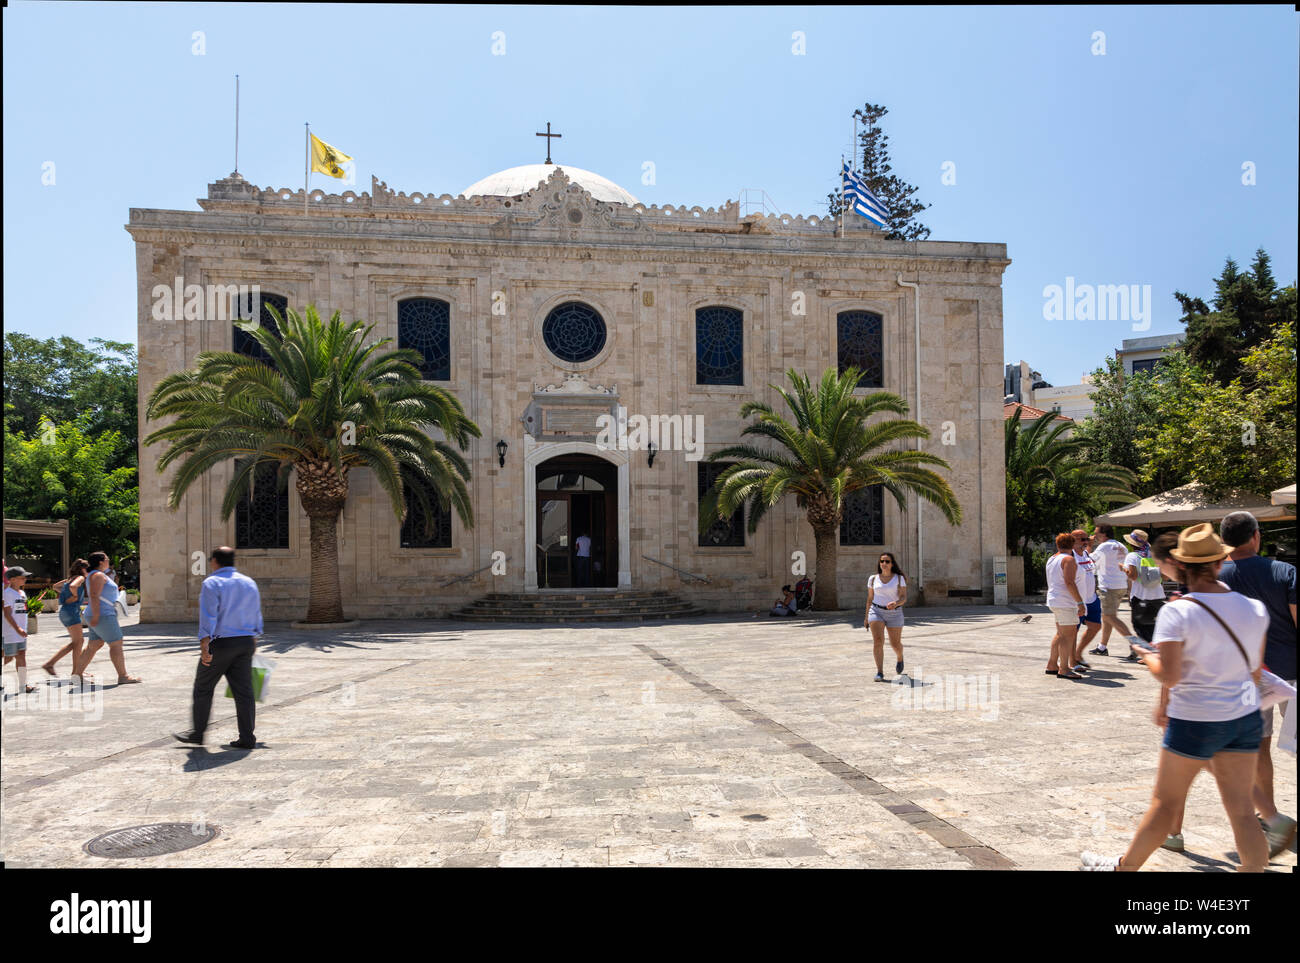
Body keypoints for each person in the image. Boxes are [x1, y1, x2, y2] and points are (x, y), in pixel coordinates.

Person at [1081, 523, 1269, 872]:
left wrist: (1145, 653)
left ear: (1181, 565)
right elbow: (1255, 672)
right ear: (1220, 562)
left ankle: (1123, 869)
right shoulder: (1254, 609)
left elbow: (1169, 674)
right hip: (1243, 717)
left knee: (1165, 804)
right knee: (1242, 810)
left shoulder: (1177, 611)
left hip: (1195, 718)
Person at [1219, 510, 1297, 858]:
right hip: (1291, 670)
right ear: (1256, 536)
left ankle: (1271, 816)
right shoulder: (1285, 571)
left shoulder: (1217, 577)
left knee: (1259, 748)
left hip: (1247, 676)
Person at [174, 546, 263, 749]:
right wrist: (255, 637)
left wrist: (204, 643)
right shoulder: (249, 582)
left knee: (203, 687)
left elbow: (209, 615)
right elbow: (256, 613)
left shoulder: (212, 582)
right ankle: (247, 737)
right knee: (244, 691)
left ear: (214, 561)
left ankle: (198, 733)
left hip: (221, 643)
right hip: (246, 641)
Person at [72, 551, 141, 685]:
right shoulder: (97, 575)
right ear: (100, 562)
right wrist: (97, 616)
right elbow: (93, 595)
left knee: (94, 644)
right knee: (116, 643)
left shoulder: (96, 574)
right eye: (107, 559)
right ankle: (123, 676)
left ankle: (77, 675)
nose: (109, 561)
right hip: (103, 614)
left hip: (99, 613)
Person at [1089, 524, 1140, 658]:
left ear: (1104, 534)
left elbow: (1089, 561)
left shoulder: (1104, 546)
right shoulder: (1121, 545)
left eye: (1096, 533)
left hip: (1109, 586)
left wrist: (1088, 545)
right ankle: (1102, 647)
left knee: (1108, 617)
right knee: (1108, 618)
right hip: (1120, 585)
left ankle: (1135, 644)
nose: (1094, 536)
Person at [41, 559, 92, 683]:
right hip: (71, 611)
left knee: (77, 642)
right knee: (78, 642)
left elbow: (55, 586)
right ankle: (53, 665)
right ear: (83, 569)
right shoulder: (80, 578)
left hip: (64, 611)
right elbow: (73, 586)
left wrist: (66, 593)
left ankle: (76, 671)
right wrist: (74, 596)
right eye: (88, 569)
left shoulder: (70, 578)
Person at [1044, 532, 1087, 679]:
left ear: (1058, 545)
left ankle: (1052, 664)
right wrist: (1080, 602)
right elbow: (1069, 582)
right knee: (1068, 636)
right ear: (1072, 545)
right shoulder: (1068, 559)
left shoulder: (1052, 558)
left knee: (1061, 634)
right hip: (1066, 602)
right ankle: (1064, 669)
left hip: (1055, 600)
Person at [1123, 529, 1166, 659]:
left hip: (1140, 595)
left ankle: (1150, 653)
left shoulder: (1132, 556)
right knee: (1152, 625)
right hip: (1157, 594)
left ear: (1132, 544)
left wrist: (1124, 569)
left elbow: (1134, 576)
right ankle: (1151, 651)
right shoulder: (1152, 555)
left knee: (1139, 625)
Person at [864, 553, 907, 682]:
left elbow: (904, 597)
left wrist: (896, 603)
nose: (884, 564)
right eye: (882, 561)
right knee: (878, 641)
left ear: (892, 563)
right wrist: (866, 617)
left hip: (895, 613)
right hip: (876, 611)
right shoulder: (873, 579)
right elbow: (870, 599)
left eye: (887, 561)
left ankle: (900, 657)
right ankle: (879, 672)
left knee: (895, 643)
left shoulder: (899, 578)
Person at [3, 566, 39, 694]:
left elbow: (21, 611)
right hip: (10, 633)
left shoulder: (22, 593)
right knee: (7, 657)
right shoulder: (7, 594)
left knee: (21, 656)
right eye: (22, 577)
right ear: (12, 579)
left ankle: (23, 685)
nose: (25, 579)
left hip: (21, 632)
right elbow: (7, 614)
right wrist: (17, 628)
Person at [1070, 529, 1102, 670]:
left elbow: (1087, 549)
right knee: (1071, 632)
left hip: (1092, 599)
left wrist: (1090, 543)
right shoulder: (1070, 557)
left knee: (1095, 626)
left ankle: (1077, 653)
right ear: (1073, 540)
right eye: (1082, 539)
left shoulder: (1086, 553)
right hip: (1077, 601)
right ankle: (1071, 661)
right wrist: (1077, 601)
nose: (1086, 541)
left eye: (1086, 538)